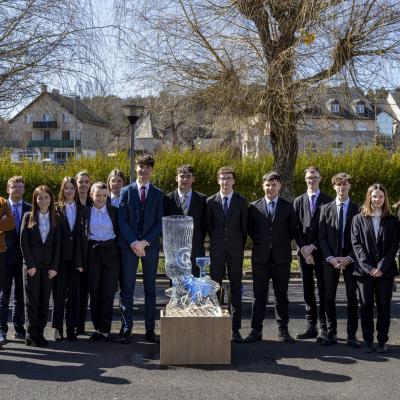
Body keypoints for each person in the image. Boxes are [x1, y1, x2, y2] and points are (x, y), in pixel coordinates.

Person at [245, 171, 297, 344]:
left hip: (281, 258)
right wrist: (263, 242)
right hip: (260, 258)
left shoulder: (288, 207)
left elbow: (292, 230)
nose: (270, 188)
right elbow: (250, 229)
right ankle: (256, 330)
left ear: (279, 186)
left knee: (281, 296)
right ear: (263, 186)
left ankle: (283, 330)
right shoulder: (254, 206)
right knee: (259, 295)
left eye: (274, 185)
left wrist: (278, 242)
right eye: (267, 184)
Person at [116, 154, 163, 344]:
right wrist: (134, 242)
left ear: (152, 170)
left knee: (150, 290)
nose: (143, 170)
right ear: (136, 168)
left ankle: (150, 330)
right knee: (127, 289)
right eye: (140, 167)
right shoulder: (126, 191)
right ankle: (126, 329)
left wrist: (145, 242)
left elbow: (159, 222)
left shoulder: (158, 194)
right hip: (129, 247)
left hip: (150, 247)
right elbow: (122, 220)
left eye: (147, 167)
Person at [351, 184, 399, 353]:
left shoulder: (392, 221)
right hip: (364, 272)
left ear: (385, 199)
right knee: (366, 306)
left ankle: (382, 341)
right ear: (369, 198)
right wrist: (369, 268)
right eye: (374, 196)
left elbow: (393, 246)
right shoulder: (358, 219)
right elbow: (356, 245)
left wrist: (381, 268)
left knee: (384, 307)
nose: (377, 199)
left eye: (380, 196)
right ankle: (367, 340)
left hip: (385, 272)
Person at [319, 173, 361, 347]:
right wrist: (330, 258)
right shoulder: (325, 209)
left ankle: (352, 335)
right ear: (334, 187)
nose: (342, 187)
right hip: (331, 259)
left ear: (349, 186)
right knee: (328, 297)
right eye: (339, 184)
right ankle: (331, 333)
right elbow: (321, 237)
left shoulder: (358, 209)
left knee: (352, 297)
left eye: (345, 184)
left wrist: (350, 257)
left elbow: (360, 238)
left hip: (351, 259)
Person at [206, 166, 247, 343]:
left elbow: (244, 228)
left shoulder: (241, 201)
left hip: (235, 251)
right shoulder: (210, 202)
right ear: (218, 180)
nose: (225, 181)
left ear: (233, 181)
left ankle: (235, 329)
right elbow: (209, 227)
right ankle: (215, 326)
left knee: (236, 289)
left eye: (229, 178)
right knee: (215, 287)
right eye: (222, 178)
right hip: (217, 251)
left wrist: (236, 245)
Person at [76, 182, 120, 342]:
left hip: (111, 253)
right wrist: (80, 261)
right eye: (97, 195)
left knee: (108, 293)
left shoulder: (114, 211)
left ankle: (106, 330)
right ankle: (97, 329)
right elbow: (80, 238)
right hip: (92, 253)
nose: (101, 198)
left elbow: (119, 233)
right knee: (94, 292)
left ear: (107, 195)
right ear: (91, 195)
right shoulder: (85, 212)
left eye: (104, 195)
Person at [293, 167, 332, 342]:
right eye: (309, 177)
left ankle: (324, 328)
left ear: (320, 178)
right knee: (307, 290)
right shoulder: (298, 201)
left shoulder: (328, 201)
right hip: (303, 254)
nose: (312, 180)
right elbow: (295, 227)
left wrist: (313, 246)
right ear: (305, 179)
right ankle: (311, 326)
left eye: (315, 177)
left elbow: (328, 228)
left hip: (322, 252)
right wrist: (303, 248)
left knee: (323, 290)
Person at [20, 186, 61, 347]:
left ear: (51, 199)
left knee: (44, 301)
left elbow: (58, 245)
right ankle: (31, 334)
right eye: (40, 198)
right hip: (32, 267)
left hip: (48, 268)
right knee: (32, 302)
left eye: (46, 197)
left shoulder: (56, 218)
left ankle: (40, 333)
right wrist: (30, 264)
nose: (43, 201)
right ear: (35, 200)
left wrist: (55, 267)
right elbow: (23, 242)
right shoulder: (28, 217)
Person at [52, 177, 85, 341]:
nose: (69, 190)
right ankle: (57, 328)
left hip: (76, 260)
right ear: (62, 190)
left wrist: (81, 261)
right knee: (58, 296)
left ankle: (71, 328)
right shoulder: (55, 208)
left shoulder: (83, 209)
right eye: (66, 188)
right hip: (60, 259)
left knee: (74, 295)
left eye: (72, 187)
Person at [0, 176, 30, 346]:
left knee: (20, 295)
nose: (17, 189)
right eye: (14, 186)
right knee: (3, 296)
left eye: (20, 186)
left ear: (24, 189)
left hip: (23, 259)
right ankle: (1, 329)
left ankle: (19, 328)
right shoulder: (1, 207)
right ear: (8, 189)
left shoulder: (30, 209)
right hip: (4, 257)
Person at [164, 164, 207, 276]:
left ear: (193, 179)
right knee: (176, 282)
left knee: (195, 282)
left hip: (196, 249)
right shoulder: (167, 199)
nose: (185, 179)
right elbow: (163, 226)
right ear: (176, 178)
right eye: (182, 176)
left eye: (188, 176)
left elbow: (205, 225)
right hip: (174, 251)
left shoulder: (202, 200)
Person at [75, 170, 92, 334]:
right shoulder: (71, 203)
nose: (84, 184)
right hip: (74, 253)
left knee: (85, 291)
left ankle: (80, 325)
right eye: (81, 181)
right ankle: (72, 324)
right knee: (74, 291)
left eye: (86, 181)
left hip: (90, 253)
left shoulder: (94, 202)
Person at [0, 191, 15, 349]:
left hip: (1, 252)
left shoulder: (2, 202)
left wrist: (4, 221)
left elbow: (10, 223)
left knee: (1, 294)